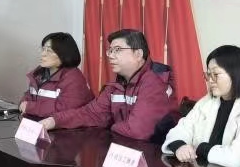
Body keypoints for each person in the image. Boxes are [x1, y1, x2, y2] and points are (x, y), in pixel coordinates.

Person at [40, 29, 176, 142]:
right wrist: (55, 121)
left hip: (152, 156)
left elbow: (137, 131)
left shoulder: (155, 83)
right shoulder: (116, 85)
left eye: (117, 50)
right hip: (124, 149)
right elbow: (91, 113)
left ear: (138, 54)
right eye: (110, 50)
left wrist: (110, 125)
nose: (111, 55)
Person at [162, 45, 240, 167]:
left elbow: (239, 159)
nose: (210, 80)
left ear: (235, 73)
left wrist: (201, 148)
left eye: (215, 74)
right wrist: (180, 146)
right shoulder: (208, 101)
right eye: (208, 75)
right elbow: (183, 128)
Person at [19, 32, 93, 118]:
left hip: (68, 126)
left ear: (64, 54)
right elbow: (29, 95)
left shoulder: (74, 79)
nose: (43, 54)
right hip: (40, 122)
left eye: (49, 51)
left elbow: (66, 110)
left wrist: (30, 107)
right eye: (43, 49)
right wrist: (23, 102)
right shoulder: (38, 73)